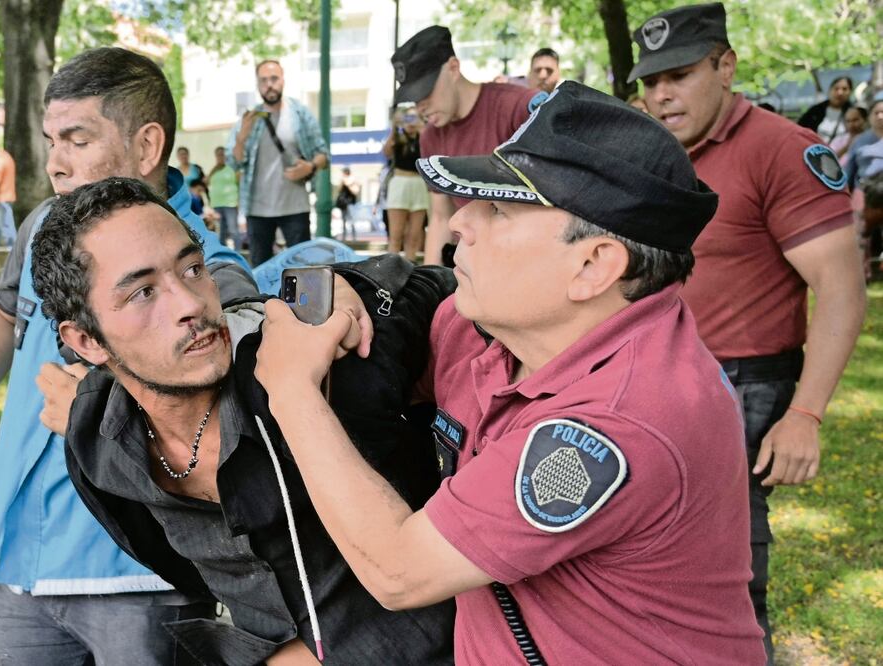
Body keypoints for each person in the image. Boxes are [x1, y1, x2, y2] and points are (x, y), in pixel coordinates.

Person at [254, 80, 767, 665]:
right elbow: (427, 296)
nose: (458, 224)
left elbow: (400, 571)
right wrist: (357, 289)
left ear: (593, 265)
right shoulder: (497, 326)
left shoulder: (626, 420)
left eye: (498, 209)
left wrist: (292, 389)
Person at [28, 176, 456, 665]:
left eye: (192, 269)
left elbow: (440, 289)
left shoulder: (314, 369)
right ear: (86, 341)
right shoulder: (99, 445)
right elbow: (181, 568)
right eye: (144, 293)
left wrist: (352, 284)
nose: (190, 304)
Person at [0, 47, 252, 665]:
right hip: (21, 562)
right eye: (49, 140)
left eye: (77, 139)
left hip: (141, 578)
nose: (56, 164)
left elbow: (229, 433)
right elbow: (2, 308)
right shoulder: (43, 231)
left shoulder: (210, 277)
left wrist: (93, 408)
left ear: (147, 147)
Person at [629, 4, 867, 661]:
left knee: (727, 579)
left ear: (724, 67)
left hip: (740, 382)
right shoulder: (655, 151)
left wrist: (806, 414)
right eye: (650, 82)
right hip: (654, 373)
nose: (661, 95)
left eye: (678, 75)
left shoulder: (781, 150)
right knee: (652, 565)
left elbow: (842, 293)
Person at [391, 25, 546, 265]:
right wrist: (432, 286)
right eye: (414, 98)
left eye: (426, 92)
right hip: (474, 261)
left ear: (453, 68)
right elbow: (441, 218)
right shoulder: (430, 137)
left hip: (530, 258)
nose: (420, 106)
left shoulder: (517, 107)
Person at [228, 60, 329, 266]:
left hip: (295, 207)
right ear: (257, 84)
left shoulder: (299, 113)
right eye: (263, 80)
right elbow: (235, 162)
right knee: (261, 269)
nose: (269, 85)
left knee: (302, 269)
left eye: (274, 79)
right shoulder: (249, 119)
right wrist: (241, 138)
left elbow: (323, 155)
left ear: (283, 80)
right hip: (257, 209)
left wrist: (310, 167)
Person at [382, 106, 428, 259]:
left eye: (415, 117)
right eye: (408, 118)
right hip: (399, 182)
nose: (411, 122)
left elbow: (431, 152)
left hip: (419, 182)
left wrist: (423, 128)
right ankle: (392, 267)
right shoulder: (398, 136)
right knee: (396, 234)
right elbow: (386, 152)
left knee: (414, 234)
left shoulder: (423, 137)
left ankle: (410, 266)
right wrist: (396, 126)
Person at [798, 76, 854, 143]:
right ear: (830, 90)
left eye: (844, 89)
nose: (840, 93)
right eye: (836, 89)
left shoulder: (854, 113)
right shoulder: (816, 110)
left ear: (850, 92)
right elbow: (800, 128)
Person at [205, 145, 240, 248]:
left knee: (233, 230)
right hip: (216, 204)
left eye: (222, 154)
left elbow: (239, 184)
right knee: (221, 231)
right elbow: (207, 183)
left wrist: (239, 201)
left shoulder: (232, 168)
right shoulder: (214, 170)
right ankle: (223, 255)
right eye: (218, 155)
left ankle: (238, 252)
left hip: (230, 203)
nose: (220, 156)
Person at [335, 166, 360, 240]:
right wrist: (343, 182)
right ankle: (344, 237)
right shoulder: (342, 181)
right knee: (343, 221)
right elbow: (339, 190)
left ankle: (354, 238)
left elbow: (355, 191)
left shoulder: (353, 180)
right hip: (343, 204)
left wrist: (348, 183)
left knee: (351, 220)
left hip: (350, 203)